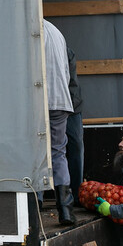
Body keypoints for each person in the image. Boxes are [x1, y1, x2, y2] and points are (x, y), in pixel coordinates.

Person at [43, 20, 75, 224]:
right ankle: (65, 210)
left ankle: (34, 202)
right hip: (61, 100)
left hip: (38, 101)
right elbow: (66, 70)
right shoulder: (56, 31)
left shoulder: (28, 29)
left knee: (34, 152)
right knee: (58, 153)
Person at [65, 47, 84, 204]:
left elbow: (71, 81)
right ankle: (39, 196)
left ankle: (77, 194)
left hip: (71, 105)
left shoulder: (67, 51)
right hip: (53, 105)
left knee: (76, 147)